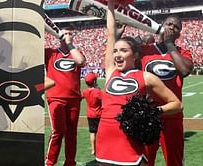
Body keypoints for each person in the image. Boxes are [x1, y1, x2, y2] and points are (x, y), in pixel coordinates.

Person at [95, 0, 182, 165]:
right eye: (115, 51)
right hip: (104, 143)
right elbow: (110, 34)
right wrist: (111, 5)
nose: (117, 54)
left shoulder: (146, 77)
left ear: (135, 55)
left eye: (124, 50)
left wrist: (152, 112)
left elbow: (176, 104)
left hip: (130, 144)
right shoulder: (111, 71)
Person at [140, 15, 194, 166]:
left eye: (176, 27)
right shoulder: (145, 50)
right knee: (144, 160)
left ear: (179, 34)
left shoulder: (183, 52)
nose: (172, 27)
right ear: (161, 27)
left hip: (172, 114)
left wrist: (170, 45)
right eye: (169, 24)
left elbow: (184, 70)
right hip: (148, 114)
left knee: (174, 160)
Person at [45, 27, 86, 166]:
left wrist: (70, 45)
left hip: (74, 99)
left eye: (70, 33)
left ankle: (70, 162)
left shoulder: (76, 53)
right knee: (58, 131)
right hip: (56, 98)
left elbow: (81, 61)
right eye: (64, 33)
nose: (67, 35)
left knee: (71, 134)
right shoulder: (50, 53)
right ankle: (50, 162)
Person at [82, 72, 102, 155]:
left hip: (90, 114)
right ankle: (100, 148)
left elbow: (80, 97)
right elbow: (104, 99)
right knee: (100, 132)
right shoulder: (97, 92)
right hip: (98, 114)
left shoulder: (85, 91)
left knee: (92, 132)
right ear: (94, 82)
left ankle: (93, 149)